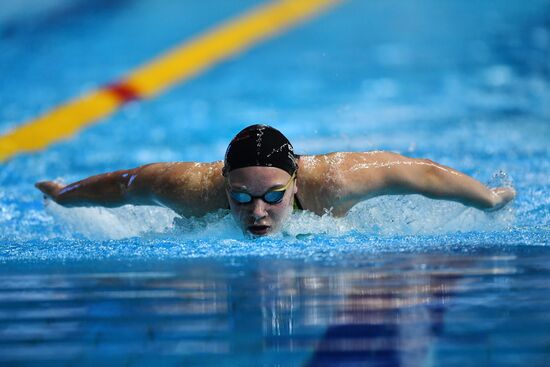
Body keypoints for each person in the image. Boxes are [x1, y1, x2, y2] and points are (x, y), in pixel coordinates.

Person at [36, 124, 515, 236]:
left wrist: (489, 199)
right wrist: (65, 194)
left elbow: (422, 174)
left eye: (272, 197)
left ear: (295, 179)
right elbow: (126, 184)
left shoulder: (337, 182)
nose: (257, 212)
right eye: (240, 196)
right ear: (223, 184)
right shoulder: (190, 190)